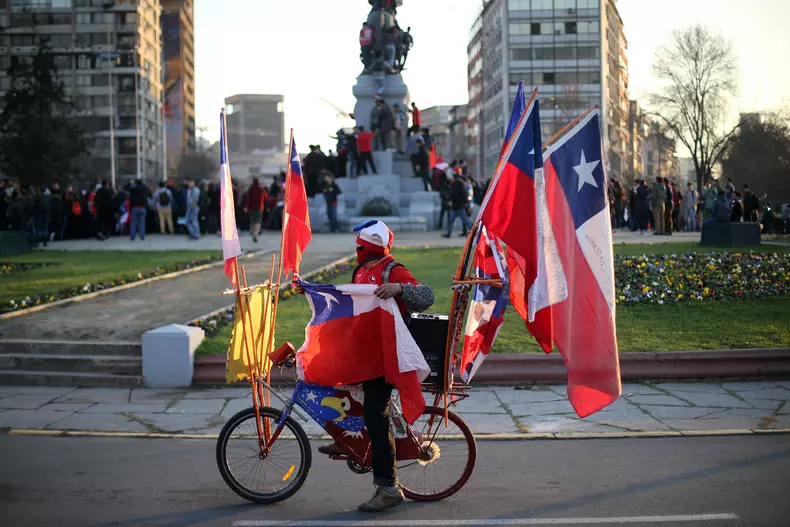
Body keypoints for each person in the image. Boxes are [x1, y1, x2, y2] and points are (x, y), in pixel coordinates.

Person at [302, 220, 434, 513]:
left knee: (376, 416)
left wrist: (398, 287)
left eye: (360, 243)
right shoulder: (361, 270)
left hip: (385, 358)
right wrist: (313, 292)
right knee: (334, 382)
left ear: (367, 244)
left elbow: (427, 296)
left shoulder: (390, 268)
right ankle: (350, 439)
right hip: (363, 353)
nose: (357, 247)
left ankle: (388, 488)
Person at [244, 177, 267, 243]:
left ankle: (252, 232)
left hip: (251, 207)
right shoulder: (261, 189)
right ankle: (255, 234)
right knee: (258, 221)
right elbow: (266, 197)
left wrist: (246, 207)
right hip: (259, 208)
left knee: (252, 221)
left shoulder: (251, 189)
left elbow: (248, 198)